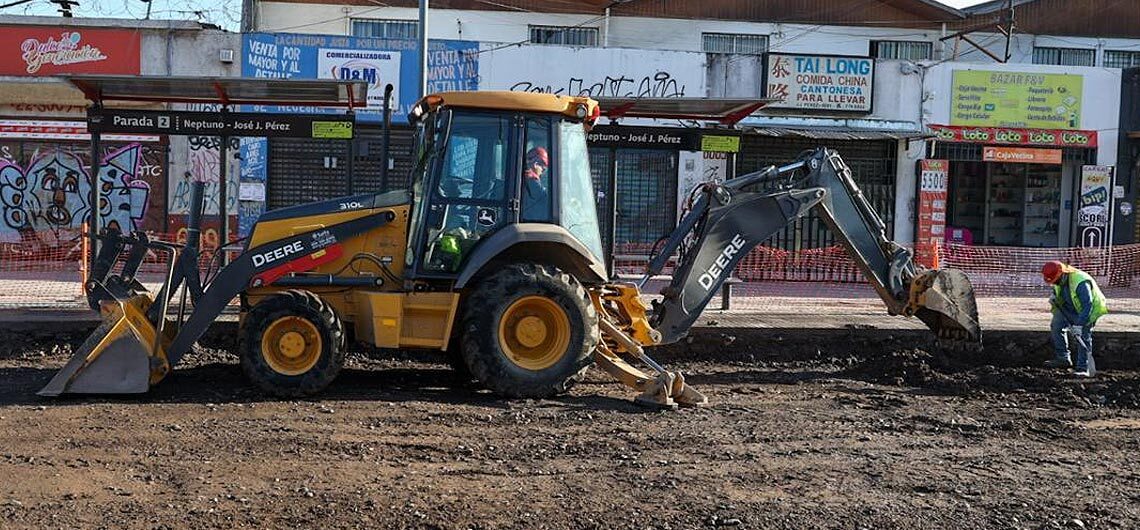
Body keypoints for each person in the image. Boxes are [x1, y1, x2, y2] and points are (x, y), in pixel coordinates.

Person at [1041, 260, 1108, 376]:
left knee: (1083, 336)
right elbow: (1058, 291)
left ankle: (1083, 368)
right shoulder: (1059, 280)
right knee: (1056, 326)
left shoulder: (1080, 281)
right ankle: (1063, 358)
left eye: (1055, 281)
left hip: (1088, 310)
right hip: (1068, 307)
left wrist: (1079, 324)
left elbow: (1088, 305)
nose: (1054, 283)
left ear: (1062, 274)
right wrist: (1054, 297)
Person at [522, 146, 550, 220]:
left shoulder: (550, 191)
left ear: (544, 169)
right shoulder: (511, 184)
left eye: (539, 163)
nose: (533, 164)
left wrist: (533, 179)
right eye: (529, 159)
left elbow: (542, 197)